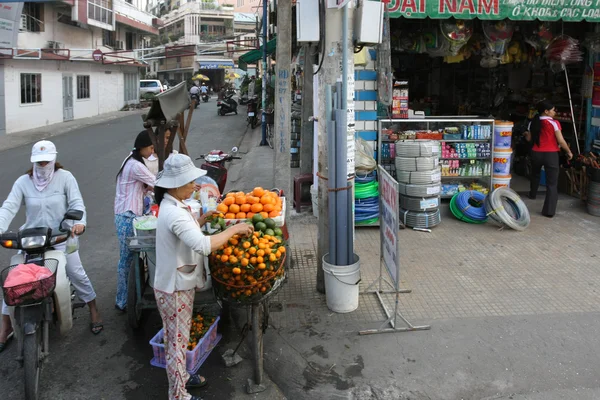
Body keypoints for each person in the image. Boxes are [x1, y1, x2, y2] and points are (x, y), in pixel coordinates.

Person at [153, 154, 253, 400]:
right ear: (176, 185)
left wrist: (200, 220)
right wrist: (234, 229)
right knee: (177, 343)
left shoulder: (174, 204)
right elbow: (203, 246)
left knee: (177, 337)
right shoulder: (173, 211)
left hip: (176, 283)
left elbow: (185, 233)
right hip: (174, 288)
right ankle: (178, 395)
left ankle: (183, 378)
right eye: (190, 182)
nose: (194, 186)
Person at [0, 140, 103, 350]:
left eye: (46, 161)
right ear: (33, 162)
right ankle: (6, 326)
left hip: (60, 238)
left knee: (75, 272)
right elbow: (9, 207)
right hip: (31, 239)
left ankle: (93, 309)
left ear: (54, 160)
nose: (43, 165)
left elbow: (77, 204)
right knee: (15, 280)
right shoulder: (23, 182)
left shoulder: (66, 178)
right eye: (39, 162)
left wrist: (79, 224)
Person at [114, 131, 156, 312]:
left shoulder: (131, 160)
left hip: (128, 214)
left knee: (130, 257)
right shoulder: (135, 165)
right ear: (142, 147)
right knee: (127, 258)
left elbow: (146, 185)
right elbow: (157, 183)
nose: (153, 151)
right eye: (151, 147)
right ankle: (122, 300)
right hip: (127, 216)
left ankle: (126, 296)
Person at [525, 100, 574, 217]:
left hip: (536, 153)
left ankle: (532, 194)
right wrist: (569, 152)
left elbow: (529, 139)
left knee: (535, 174)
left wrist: (526, 135)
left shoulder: (532, 122)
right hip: (551, 155)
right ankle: (549, 211)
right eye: (553, 110)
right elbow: (561, 141)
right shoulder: (554, 123)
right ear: (546, 111)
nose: (554, 112)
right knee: (551, 184)